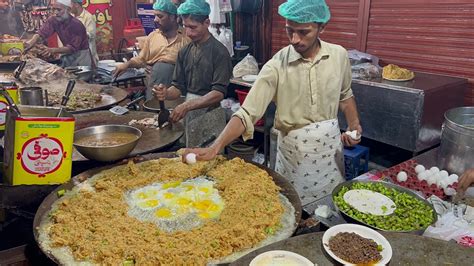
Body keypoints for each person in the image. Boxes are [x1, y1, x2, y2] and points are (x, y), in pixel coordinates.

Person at [182, 0, 362, 205]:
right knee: (295, 209)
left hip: (330, 152)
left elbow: (345, 95)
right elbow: (247, 113)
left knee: (330, 209)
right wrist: (216, 147)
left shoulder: (338, 56)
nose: (295, 39)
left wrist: (353, 124)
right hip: (296, 155)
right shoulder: (277, 65)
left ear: (322, 27)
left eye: (304, 32)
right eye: (289, 31)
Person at [153, 0, 232, 147]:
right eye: (185, 26)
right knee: (189, 155)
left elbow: (218, 93)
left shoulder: (220, 52)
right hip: (189, 112)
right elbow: (177, 88)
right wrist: (166, 93)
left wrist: (187, 106)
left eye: (193, 27)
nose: (188, 32)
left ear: (207, 23)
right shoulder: (185, 51)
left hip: (211, 113)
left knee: (211, 160)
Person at [114, 0, 190, 100]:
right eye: (155, 16)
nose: (155, 20)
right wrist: (127, 64)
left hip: (176, 90)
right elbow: (142, 59)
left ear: (172, 17)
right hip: (154, 84)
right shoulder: (153, 37)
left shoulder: (187, 38)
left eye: (160, 16)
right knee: (153, 113)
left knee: (174, 113)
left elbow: (192, 68)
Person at [24, 0, 91, 68]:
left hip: (81, 58)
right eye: (53, 9)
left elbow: (72, 48)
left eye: (59, 10)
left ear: (68, 10)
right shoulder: (54, 20)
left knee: (81, 78)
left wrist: (52, 50)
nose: (55, 12)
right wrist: (32, 41)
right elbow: (41, 33)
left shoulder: (76, 25)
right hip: (67, 56)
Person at [71, 0, 98, 66]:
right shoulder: (71, 17)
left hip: (87, 58)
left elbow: (90, 35)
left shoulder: (88, 17)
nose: (69, 7)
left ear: (76, 5)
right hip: (74, 58)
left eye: (71, 5)